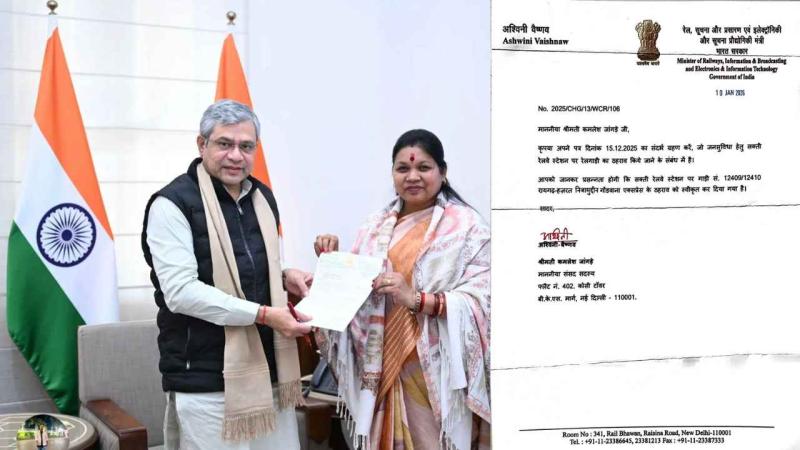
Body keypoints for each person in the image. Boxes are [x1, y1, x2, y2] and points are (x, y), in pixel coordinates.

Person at [142, 99, 312, 449]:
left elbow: (249, 263)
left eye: (246, 146)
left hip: (269, 373)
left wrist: (283, 275)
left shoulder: (261, 197)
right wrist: (264, 315)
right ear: (201, 144)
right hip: (206, 380)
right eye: (224, 144)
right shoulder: (171, 204)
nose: (236, 155)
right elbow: (182, 293)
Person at [314, 129, 490, 450]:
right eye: (403, 168)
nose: (412, 176)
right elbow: (355, 295)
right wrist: (334, 263)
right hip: (381, 366)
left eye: (424, 167)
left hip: (435, 371)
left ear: (442, 172)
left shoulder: (467, 228)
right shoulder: (374, 227)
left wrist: (418, 299)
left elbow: (485, 299)